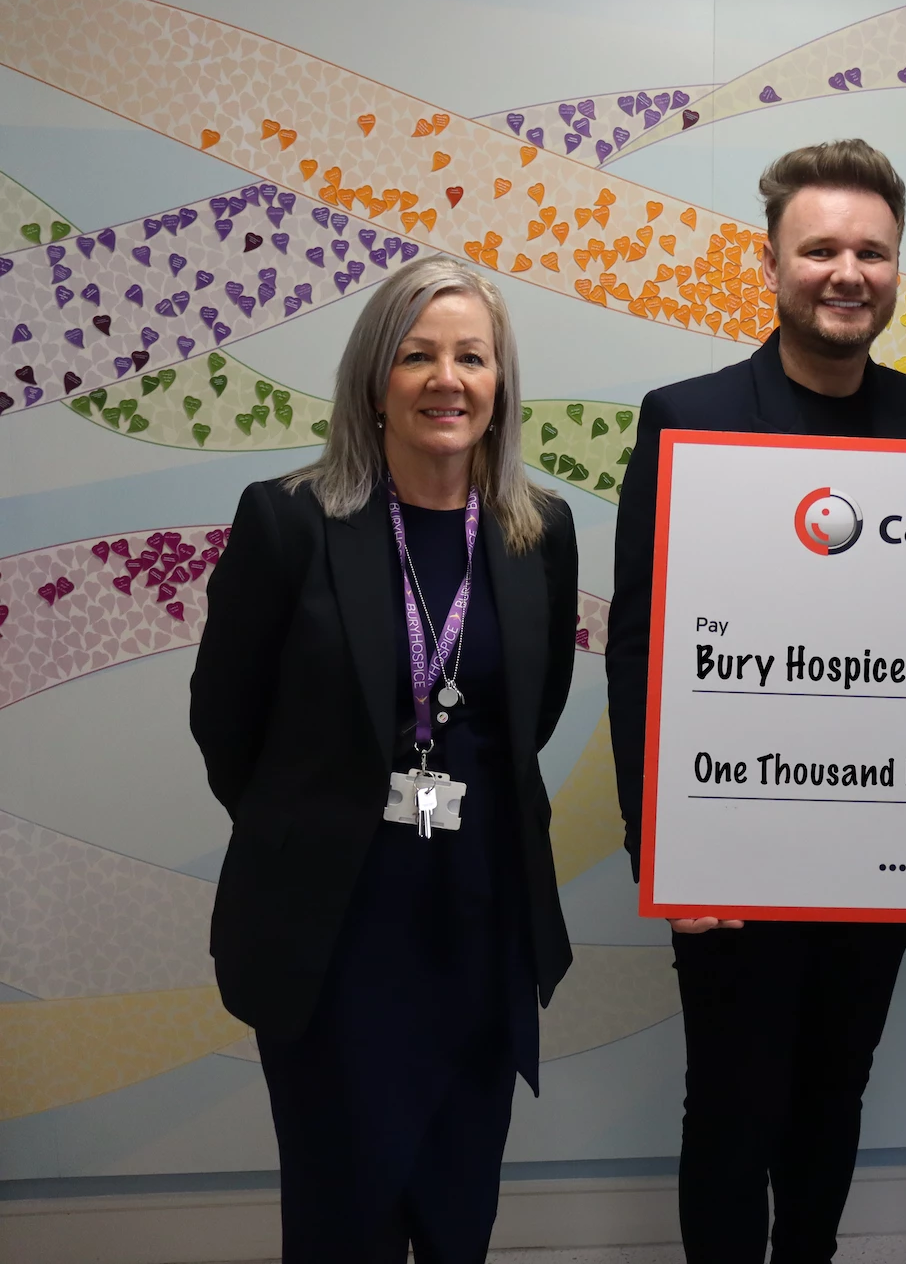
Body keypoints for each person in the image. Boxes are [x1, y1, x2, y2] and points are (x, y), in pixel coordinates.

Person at [606, 138, 906, 1263]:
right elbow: (640, 645)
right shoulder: (686, 413)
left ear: (895, 268)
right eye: (820, 247)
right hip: (729, 844)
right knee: (731, 1103)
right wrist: (662, 848)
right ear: (769, 262)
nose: (846, 271)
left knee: (834, 1090)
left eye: (870, 251)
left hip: (878, 836)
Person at [190, 256, 579, 1262]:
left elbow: (527, 720)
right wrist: (314, 821)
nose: (446, 379)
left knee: (458, 1214)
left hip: (481, 926)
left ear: (499, 385)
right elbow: (225, 723)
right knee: (342, 1217)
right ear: (375, 379)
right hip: (336, 934)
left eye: (470, 356)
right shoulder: (290, 521)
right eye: (417, 355)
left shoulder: (541, 531)